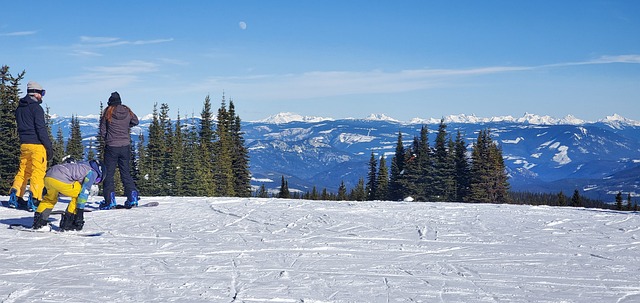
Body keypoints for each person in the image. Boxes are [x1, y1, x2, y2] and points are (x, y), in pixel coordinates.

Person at [8, 81, 53, 212]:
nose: (42, 97)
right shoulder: (36, 108)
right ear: (36, 93)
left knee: (23, 171)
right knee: (37, 173)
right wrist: (48, 147)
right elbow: (41, 129)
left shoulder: (19, 108)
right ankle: (35, 199)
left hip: (24, 145)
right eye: (42, 93)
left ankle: (15, 196)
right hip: (37, 145)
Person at [32, 160, 104, 231]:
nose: (94, 182)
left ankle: (39, 222)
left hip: (48, 176)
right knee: (79, 194)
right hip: (61, 179)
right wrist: (80, 211)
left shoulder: (81, 165)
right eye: (97, 180)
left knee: (50, 198)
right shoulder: (93, 172)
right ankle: (68, 223)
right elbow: (84, 192)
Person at [98, 92, 140, 209]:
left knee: (108, 174)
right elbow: (136, 121)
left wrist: (108, 139)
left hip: (111, 146)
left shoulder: (108, 112)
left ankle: (109, 200)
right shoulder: (127, 111)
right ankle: (132, 197)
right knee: (125, 172)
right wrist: (126, 126)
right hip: (125, 146)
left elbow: (102, 130)